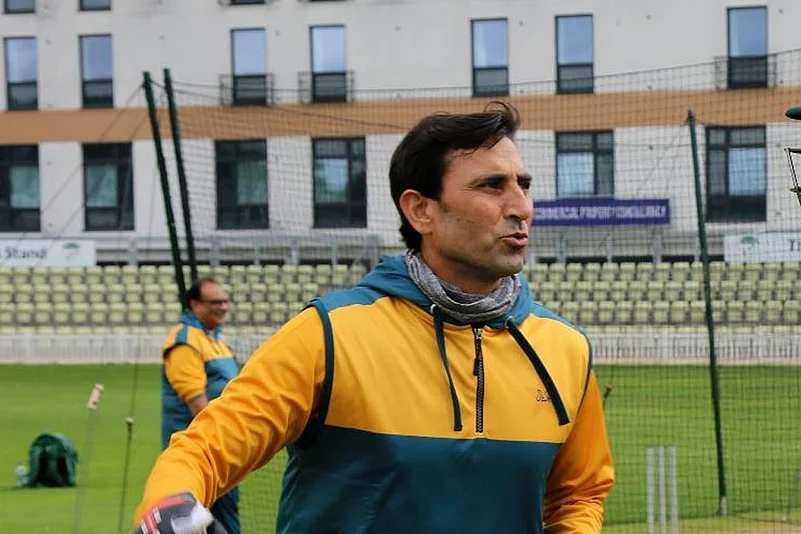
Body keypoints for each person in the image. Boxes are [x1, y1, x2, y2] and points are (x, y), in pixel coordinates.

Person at [134, 102, 614, 534]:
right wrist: (170, 509)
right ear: (421, 210)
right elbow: (203, 450)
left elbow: (580, 495)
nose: (521, 207)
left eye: (523, 185)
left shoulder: (566, 348)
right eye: (492, 186)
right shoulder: (330, 334)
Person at [155, 277, 240, 534]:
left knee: (224, 518)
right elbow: (196, 402)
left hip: (219, 448)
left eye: (225, 301)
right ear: (195, 305)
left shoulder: (213, 338)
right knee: (196, 521)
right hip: (197, 451)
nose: (223, 307)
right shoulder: (185, 342)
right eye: (215, 302)